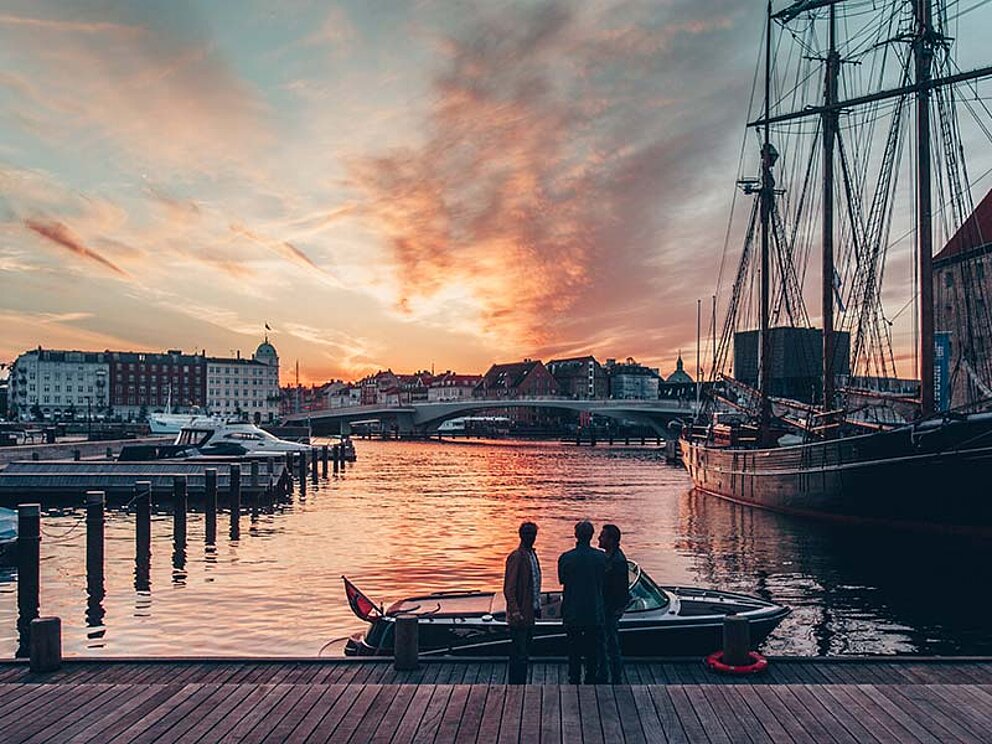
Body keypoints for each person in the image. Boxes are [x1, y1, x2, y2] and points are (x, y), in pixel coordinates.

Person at [557, 520, 607, 684]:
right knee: (592, 648)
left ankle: (574, 676)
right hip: (594, 610)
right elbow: (604, 581)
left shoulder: (565, 558)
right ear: (591, 536)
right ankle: (591, 676)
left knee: (573, 648)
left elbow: (562, 580)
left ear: (576, 535)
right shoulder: (601, 557)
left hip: (573, 610)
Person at [503, 521, 541, 685]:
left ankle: (521, 682)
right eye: (527, 534)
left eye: (532, 534)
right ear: (521, 535)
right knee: (519, 651)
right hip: (520, 615)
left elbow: (535, 583)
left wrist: (537, 605)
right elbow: (509, 588)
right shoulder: (517, 557)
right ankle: (516, 684)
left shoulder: (532, 555)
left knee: (525, 651)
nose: (530, 537)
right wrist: (515, 611)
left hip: (530, 612)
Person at [598, 523, 630, 684]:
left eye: (602, 536)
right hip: (607, 607)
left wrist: (617, 609)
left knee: (610, 643)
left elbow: (619, 589)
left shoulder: (617, 561)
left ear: (611, 540)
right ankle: (607, 674)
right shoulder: (611, 557)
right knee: (608, 642)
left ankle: (614, 677)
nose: (599, 538)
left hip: (609, 609)